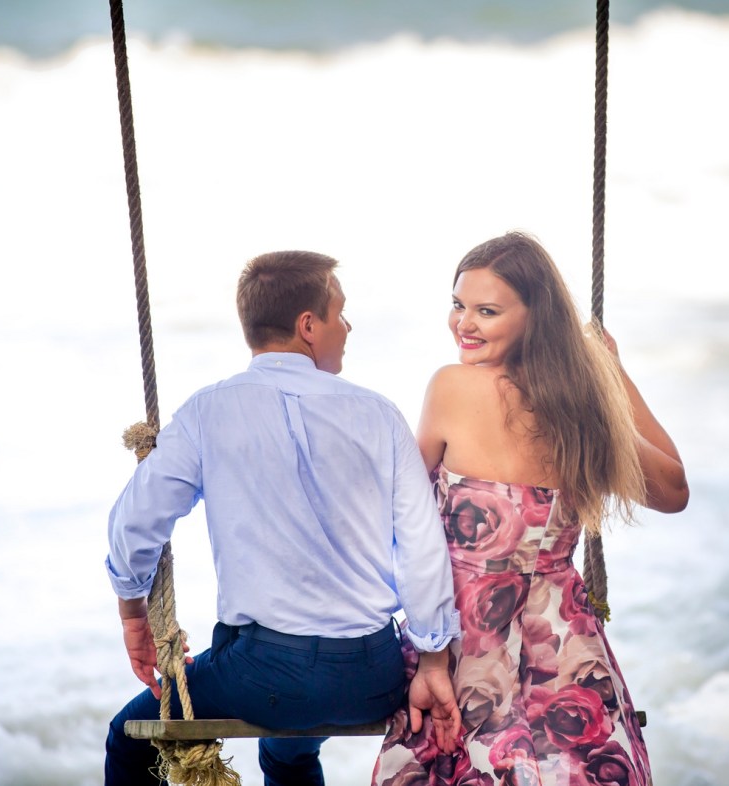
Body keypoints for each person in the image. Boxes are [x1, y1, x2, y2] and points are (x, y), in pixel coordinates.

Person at [104, 250, 462, 786]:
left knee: (127, 738)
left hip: (260, 675)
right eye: (340, 314)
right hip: (371, 674)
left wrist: (134, 612)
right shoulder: (379, 415)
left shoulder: (209, 411)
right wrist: (433, 658)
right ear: (308, 326)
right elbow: (421, 545)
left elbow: (136, 524)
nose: (348, 327)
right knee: (288, 751)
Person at [372, 232, 688, 785]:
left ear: (534, 318)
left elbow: (398, 514)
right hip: (566, 641)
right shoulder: (583, 409)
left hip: (465, 642)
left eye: (486, 311)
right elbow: (673, 490)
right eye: (458, 305)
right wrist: (611, 373)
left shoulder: (452, 389)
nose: (463, 324)